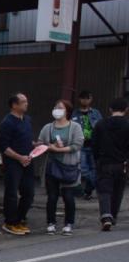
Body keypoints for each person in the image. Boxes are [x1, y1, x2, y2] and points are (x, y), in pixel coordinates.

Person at [39, 99, 84, 235]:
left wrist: (60, 149)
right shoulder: (48, 127)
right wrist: (48, 146)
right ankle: (50, 223)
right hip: (51, 165)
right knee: (52, 196)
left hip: (69, 166)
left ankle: (68, 223)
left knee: (68, 196)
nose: (56, 110)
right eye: (55, 107)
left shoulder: (75, 127)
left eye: (60, 107)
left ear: (67, 111)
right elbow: (40, 143)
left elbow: (77, 144)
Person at [0, 93, 36, 236]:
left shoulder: (27, 120)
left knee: (29, 193)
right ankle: (10, 222)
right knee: (11, 193)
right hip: (13, 163)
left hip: (28, 161)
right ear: (14, 105)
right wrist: (19, 157)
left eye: (27, 101)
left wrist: (36, 145)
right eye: (23, 101)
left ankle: (19, 219)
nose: (27, 103)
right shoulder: (7, 122)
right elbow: (3, 146)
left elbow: (26, 141)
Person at [93, 97, 129, 230]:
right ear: (126, 109)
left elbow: (94, 144)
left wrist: (96, 158)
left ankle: (106, 216)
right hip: (122, 163)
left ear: (110, 109)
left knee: (104, 191)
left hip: (104, 162)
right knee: (118, 191)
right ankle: (113, 215)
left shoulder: (101, 124)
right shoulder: (127, 124)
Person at [75, 90, 103, 200]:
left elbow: (101, 127)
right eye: (83, 98)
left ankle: (88, 192)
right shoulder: (74, 113)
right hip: (80, 145)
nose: (85, 100)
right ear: (79, 99)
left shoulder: (96, 113)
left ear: (91, 99)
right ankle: (97, 186)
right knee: (83, 169)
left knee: (94, 169)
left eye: (88, 98)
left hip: (94, 145)